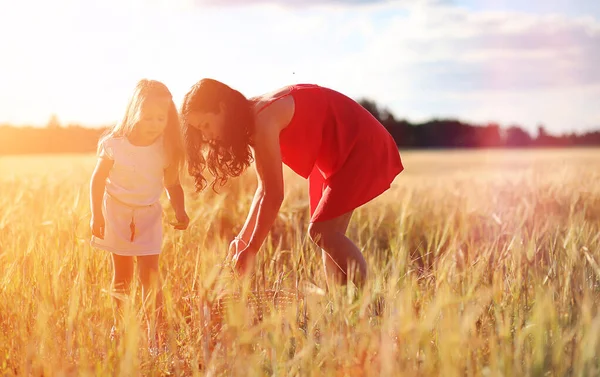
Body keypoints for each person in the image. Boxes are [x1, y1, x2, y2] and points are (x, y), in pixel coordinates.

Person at [181, 79, 403, 288]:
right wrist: (241, 240)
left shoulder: (262, 119)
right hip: (334, 157)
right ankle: (343, 313)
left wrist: (251, 250)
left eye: (206, 125)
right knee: (329, 241)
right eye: (201, 130)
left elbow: (274, 194)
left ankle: (375, 303)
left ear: (222, 108)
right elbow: (263, 189)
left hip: (357, 144)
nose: (207, 135)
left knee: (322, 232)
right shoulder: (253, 116)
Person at [89, 79, 189, 348]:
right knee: (122, 275)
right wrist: (96, 214)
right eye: (148, 118)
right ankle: (119, 327)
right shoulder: (114, 144)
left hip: (149, 215)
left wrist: (180, 209)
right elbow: (97, 181)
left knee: (150, 275)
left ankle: (154, 330)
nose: (155, 124)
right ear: (133, 111)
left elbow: (172, 184)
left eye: (161, 118)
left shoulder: (165, 150)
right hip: (117, 213)